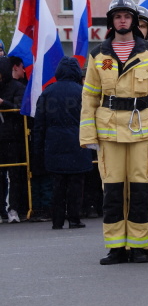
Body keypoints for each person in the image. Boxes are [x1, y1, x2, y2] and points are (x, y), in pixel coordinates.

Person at [80, 0, 148, 264]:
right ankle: (116, 246)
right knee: (112, 190)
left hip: (143, 128)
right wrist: (88, 136)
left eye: (127, 16)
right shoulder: (99, 54)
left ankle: (139, 245)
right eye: (118, 16)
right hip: (109, 131)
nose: (123, 20)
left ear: (133, 21)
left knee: (141, 189)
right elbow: (89, 97)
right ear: (112, 21)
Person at [32, 57, 92, 229]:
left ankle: (57, 221)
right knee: (75, 185)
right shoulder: (82, 92)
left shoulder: (47, 92)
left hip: (54, 144)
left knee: (57, 185)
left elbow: (39, 124)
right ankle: (74, 219)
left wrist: (38, 149)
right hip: (77, 143)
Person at [0, 56, 25, 223]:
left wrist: (3, 103)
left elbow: (20, 108)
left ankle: (14, 208)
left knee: (15, 175)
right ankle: (1, 208)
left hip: (13, 138)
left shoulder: (17, 87)